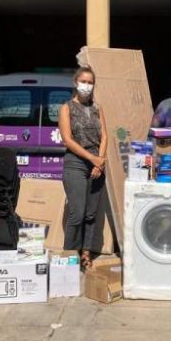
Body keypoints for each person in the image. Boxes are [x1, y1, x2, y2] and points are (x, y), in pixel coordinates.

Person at [58, 67, 108, 271]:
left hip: (97, 162)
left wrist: (100, 160)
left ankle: (86, 253)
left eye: (90, 82)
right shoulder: (67, 108)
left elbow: (104, 135)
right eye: (84, 81)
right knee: (77, 213)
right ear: (75, 82)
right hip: (76, 162)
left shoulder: (97, 108)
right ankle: (69, 256)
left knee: (90, 213)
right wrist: (92, 158)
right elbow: (67, 139)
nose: (87, 85)